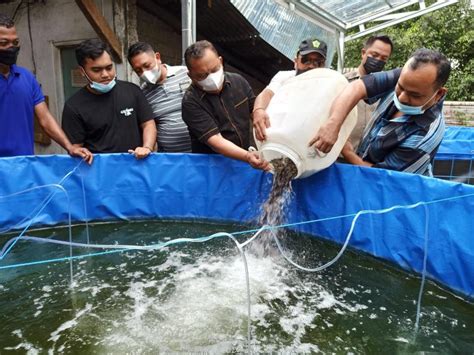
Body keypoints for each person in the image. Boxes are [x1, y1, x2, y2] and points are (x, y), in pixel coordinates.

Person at [310, 48, 450, 176]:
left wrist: (348, 152)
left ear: (438, 94)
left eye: (415, 95)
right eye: (400, 87)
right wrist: (333, 124)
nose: (402, 98)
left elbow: (383, 177)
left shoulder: (425, 135)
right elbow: (356, 87)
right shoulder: (408, 77)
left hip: (392, 192)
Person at [0, 13, 92, 163]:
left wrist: (69, 146)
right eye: (4, 43)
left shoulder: (27, 78)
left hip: (24, 165)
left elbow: (45, 119)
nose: (11, 48)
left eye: (15, 42)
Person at [181, 40, 269, 171]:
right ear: (191, 75)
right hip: (212, 168)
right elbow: (216, 140)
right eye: (202, 76)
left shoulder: (238, 82)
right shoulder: (190, 101)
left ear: (220, 61)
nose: (210, 78)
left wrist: (260, 113)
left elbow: (255, 113)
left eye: (214, 70)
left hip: (245, 160)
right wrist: (247, 156)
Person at [62, 39, 156, 159]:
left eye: (109, 67)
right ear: (82, 71)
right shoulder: (73, 106)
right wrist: (78, 152)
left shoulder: (132, 91)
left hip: (136, 167)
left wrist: (147, 147)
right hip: (99, 172)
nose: (105, 74)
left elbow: (148, 123)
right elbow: (76, 148)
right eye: (97, 70)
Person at [253, 37, 327, 141]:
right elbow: (268, 93)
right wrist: (258, 110)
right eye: (306, 60)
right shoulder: (284, 77)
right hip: (276, 138)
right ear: (296, 61)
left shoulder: (326, 88)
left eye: (317, 62)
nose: (311, 66)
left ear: (323, 66)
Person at [127, 42, 192, 153]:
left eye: (147, 66)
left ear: (157, 57)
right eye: (138, 70)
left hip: (201, 153)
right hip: (170, 157)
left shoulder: (187, 74)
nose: (144, 73)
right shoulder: (143, 94)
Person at [345, 34, 393, 150]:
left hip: (367, 156)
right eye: (374, 55)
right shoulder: (344, 82)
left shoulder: (388, 89)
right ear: (363, 53)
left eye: (383, 58)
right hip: (339, 154)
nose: (377, 61)